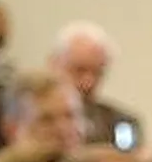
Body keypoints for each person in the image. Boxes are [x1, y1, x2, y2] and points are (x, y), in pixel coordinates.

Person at [48, 21, 142, 151]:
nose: (88, 83)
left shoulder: (120, 123)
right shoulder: (26, 120)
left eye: (97, 73)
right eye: (79, 70)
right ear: (53, 65)